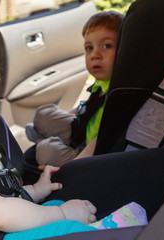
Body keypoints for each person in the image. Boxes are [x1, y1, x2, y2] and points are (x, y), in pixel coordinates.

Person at [0, 40, 147, 240]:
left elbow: (0, 196)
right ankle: (101, 232)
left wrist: (34, 190)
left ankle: (94, 229)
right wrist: (63, 215)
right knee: (64, 225)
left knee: (53, 206)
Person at [24, 11, 124, 167]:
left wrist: (73, 169)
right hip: (80, 128)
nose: (95, 55)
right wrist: (63, 119)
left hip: (87, 151)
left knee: (46, 150)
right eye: (89, 48)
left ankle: (45, 140)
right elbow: (87, 108)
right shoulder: (101, 83)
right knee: (44, 113)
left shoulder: (118, 92)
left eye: (107, 46)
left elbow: (99, 142)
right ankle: (46, 134)